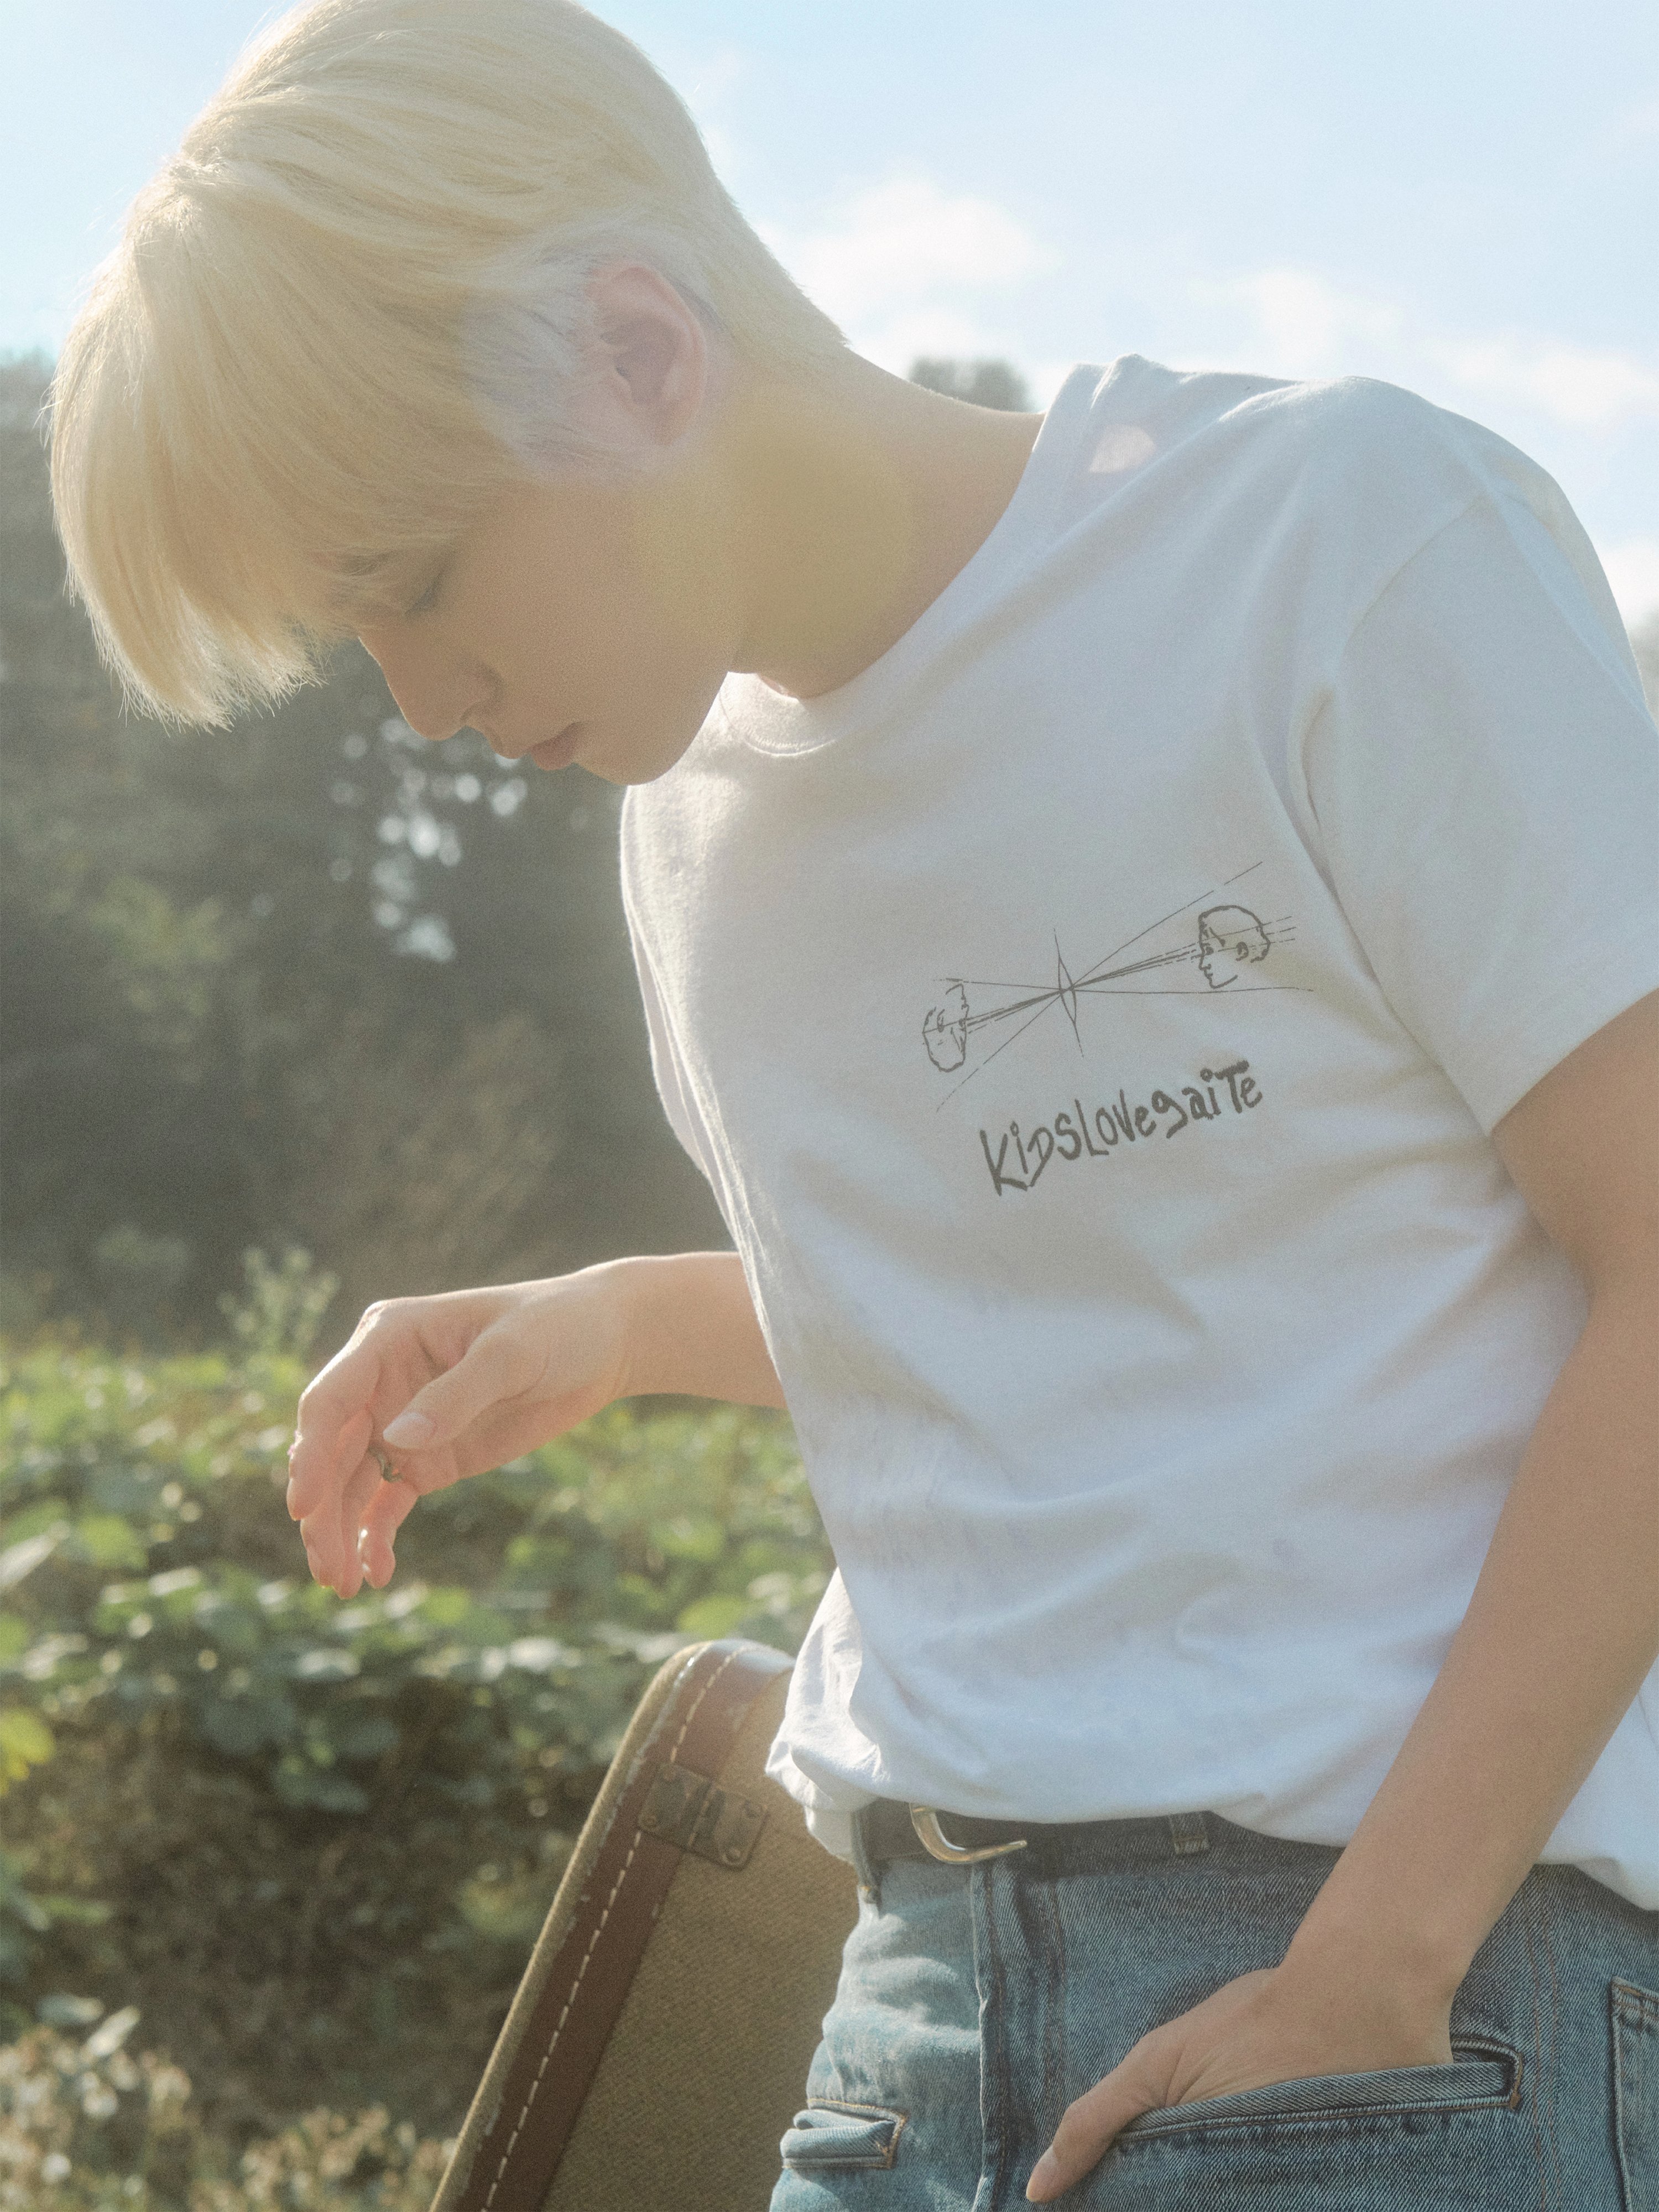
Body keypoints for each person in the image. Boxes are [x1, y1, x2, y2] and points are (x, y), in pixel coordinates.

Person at [49, 2, 1659, 2204]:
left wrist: (1380, 1958)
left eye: (414, 584)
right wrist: (624, 1319)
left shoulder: (1327, 542)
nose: (419, 702)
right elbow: (1114, 1272)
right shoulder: (688, 837)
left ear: (637, 350)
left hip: (1391, 2006)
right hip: (899, 2019)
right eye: (360, 641)